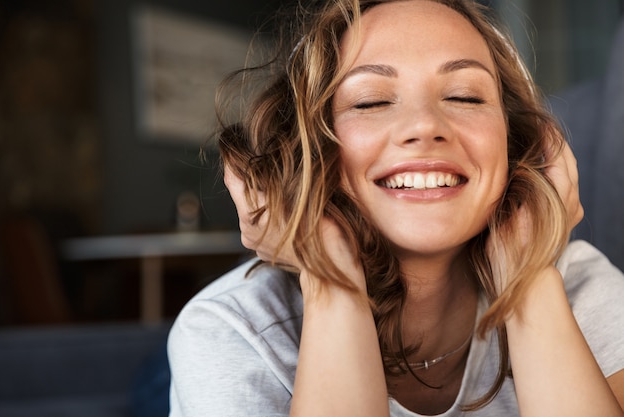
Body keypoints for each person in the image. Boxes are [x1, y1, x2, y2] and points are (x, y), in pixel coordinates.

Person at [168, 1, 624, 416]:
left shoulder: (583, 289)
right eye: (371, 100)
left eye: (464, 96)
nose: (425, 125)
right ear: (309, 148)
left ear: (515, 143)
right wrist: (333, 278)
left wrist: (529, 276)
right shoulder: (230, 330)